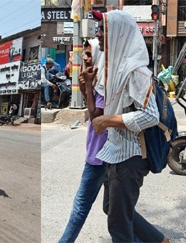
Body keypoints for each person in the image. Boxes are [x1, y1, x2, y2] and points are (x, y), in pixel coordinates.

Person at [91, 10, 185, 243]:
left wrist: (107, 121)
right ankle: (161, 241)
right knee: (112, 209)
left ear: (119, 34)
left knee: (119, 226)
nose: (98, 34)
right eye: (98, 29)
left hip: (131, 157)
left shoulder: (135, 71)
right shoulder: (115, 68)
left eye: (103, 29)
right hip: (116, 153)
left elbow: (150, 116)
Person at [59, 38, 108, 242]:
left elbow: (96, 116)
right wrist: (87, 84)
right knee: (115, 208)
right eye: (84, 54)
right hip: (102, 153)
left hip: (100, 155)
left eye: (88, 53)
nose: (84, 57)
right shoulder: (98, 78)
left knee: (80, 206)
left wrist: (88, 86)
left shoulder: (104, 81)